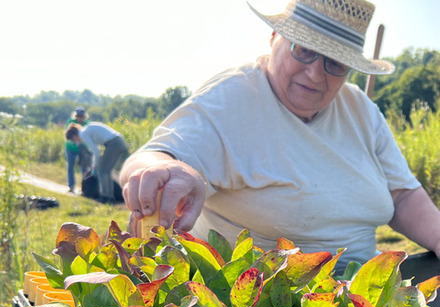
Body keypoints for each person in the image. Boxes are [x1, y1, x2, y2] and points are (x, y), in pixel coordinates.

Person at [119, 0, 440, 274]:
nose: (316, 73)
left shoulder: (361, 110)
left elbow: (402, 196)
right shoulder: (231, 99)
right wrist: (166, 170)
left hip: (364, 296)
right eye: (304, 51)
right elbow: (157, 156)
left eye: (335, 63)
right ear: (275, 38)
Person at [65, 122, 128, 203]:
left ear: (74, 136)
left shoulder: (83, 134)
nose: (76, 142)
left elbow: (96, 151)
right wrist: (96, 164)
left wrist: (95, 166)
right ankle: (110, 197)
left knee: (102, 171)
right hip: (119, 141)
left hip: (113, 143)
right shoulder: (86, 130)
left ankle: (106, 197)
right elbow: (97, 149)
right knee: (106, 171)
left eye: (74, 140)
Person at [64, 107, 90, 193]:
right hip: (70, 147)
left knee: (84, 167)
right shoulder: (70, 122)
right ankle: (71, 186)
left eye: (81, 116)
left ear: (84, 116)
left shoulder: (87, 124)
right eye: (78, 116)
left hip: (82, 148)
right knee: (70, 166)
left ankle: (84, 187)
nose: (79, 118)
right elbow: (68, 134)